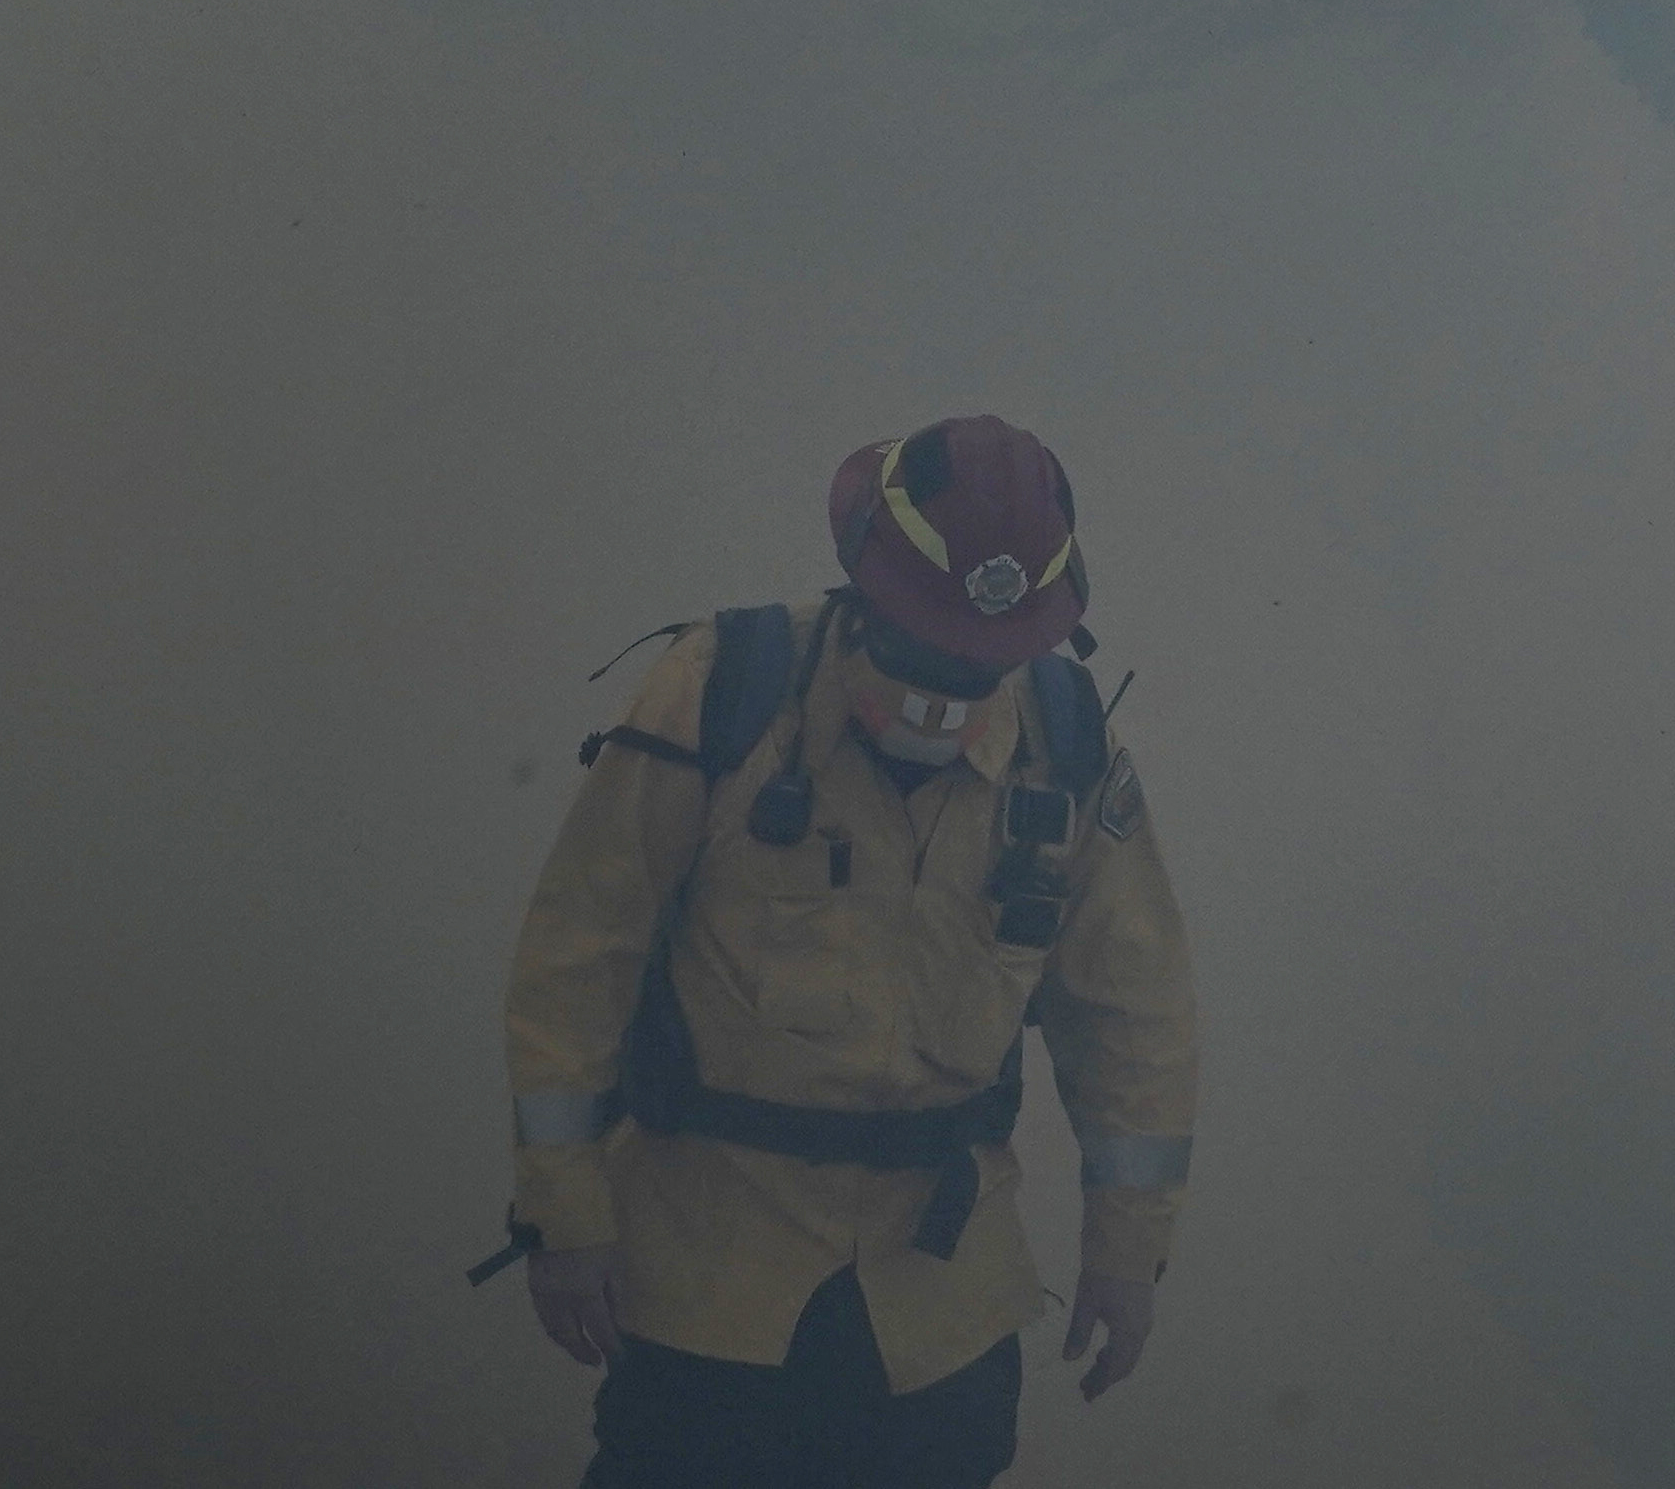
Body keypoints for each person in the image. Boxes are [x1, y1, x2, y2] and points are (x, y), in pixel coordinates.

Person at [492, 416, 1196, 1487]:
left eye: (984, 660)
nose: (949, 688)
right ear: (862, 587)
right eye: (927, 641)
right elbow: (580, 950)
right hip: (708, 1289)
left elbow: (1133, 1009)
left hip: (939, 1315)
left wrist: (1128, 1249)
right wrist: (565, 1205)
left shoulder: (1068, 749)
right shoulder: (725, 688)